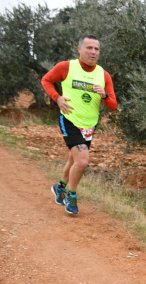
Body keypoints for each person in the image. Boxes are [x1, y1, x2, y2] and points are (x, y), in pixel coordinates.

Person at [41, 35, 118, 215]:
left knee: (73, 160)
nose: (93, 52)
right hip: (69, 119)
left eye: (96, 49)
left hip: (89, 125)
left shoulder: (103, 75)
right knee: (82, 161)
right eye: (89, 48)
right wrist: (57, 98)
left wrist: (105, 95)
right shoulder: (66, 67)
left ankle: (59, 187)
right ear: (79, 49)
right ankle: (71, 194)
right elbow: (46, 80)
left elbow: (113, 106)